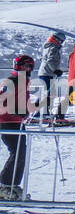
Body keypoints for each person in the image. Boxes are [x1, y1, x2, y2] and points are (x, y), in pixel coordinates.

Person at [0, 55, 35, 200]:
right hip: (7, 121)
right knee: (18, 152)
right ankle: (5, 184)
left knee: (21, 153)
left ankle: (12, 184)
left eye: (30, 66)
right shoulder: (13, 81)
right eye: (26, 66)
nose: (28, 69)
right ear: (18, 66)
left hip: (16, 121)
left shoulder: (22, 81)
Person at [37, 31, 66, 121]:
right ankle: (43, 113)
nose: (61, 43)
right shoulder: (53, 48)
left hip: (45, 72)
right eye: (61, 41)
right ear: (57, 40)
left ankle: (38, 111)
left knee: (45, 93)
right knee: (48, 94)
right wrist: (56, 70)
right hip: (48, 73)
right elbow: (50, 61)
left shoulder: (48, 47)